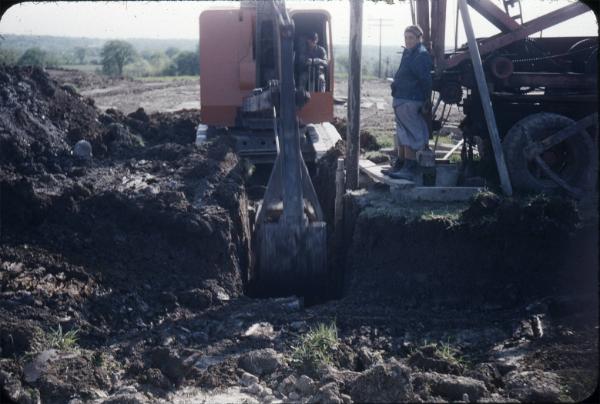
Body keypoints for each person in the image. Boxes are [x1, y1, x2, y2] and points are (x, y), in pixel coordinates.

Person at [386, 25, 432, 181]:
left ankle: (410, 168)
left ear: (419, 38)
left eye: (411, 38)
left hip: (411, 99)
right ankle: (402, 163)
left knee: (410, 132)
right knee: (403, 132)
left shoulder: (421, 55)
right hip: (402, 97)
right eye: (406, 38)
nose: (407, 41)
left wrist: (427, 98)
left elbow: (425, 79)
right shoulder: (409, 53)